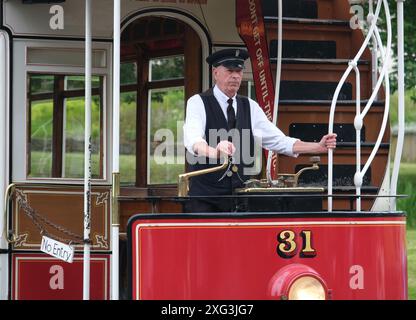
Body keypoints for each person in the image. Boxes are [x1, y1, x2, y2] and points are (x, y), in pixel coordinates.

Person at [183, 48, 337, 213]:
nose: (235, 76)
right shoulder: (198, 102)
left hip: (238, 197)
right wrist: (215, 152)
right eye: (230, 71)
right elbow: (194, 141)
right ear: (215, 73)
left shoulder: (250, 106)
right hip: (204, 200)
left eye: (239, 71)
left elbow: (278, 141)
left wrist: (318, 147)